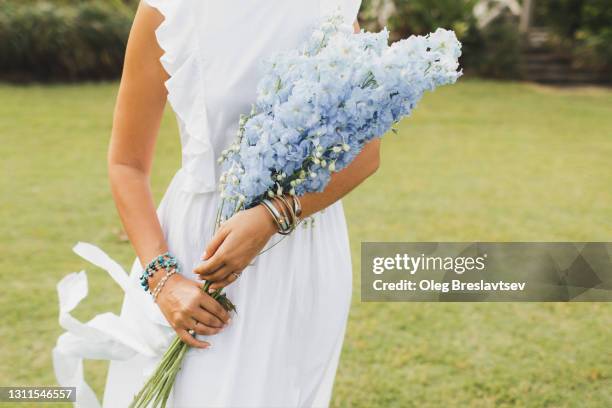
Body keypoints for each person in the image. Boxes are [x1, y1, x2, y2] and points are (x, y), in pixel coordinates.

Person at [104, 0, 378, 406]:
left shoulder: (330, 8)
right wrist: (163, 280)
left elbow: (366, 153)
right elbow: (126, 164)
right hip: (198, 253)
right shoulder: (169, 9)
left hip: (301, 251)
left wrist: (274, 215)